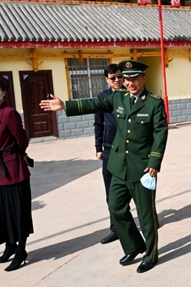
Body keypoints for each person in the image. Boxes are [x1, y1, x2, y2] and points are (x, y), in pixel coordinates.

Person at [40, 60, 168, 273]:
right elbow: (94, 104)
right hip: (118, 166)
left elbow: (160, 133)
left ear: (143, 78)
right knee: (116, 208)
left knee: (146, 215)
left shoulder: (154, 103)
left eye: (135, 78)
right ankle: (134, 245)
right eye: (127, 79)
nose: (130, 83)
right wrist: (65, 105)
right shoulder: (118, 98)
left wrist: (154, 162)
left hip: (142, 168)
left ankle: (151, 255)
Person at [0, 78, 33, 272]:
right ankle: (10, 246)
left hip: (13, 169)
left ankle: (21, 250)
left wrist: (15, 154)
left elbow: (22, 139)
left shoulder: (9, 113)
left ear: (4, 92)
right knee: (3, 210)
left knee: (18, 211)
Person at [94, 63, 124, 245]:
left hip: (130, 150)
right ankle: (116, 228)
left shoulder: (130, 94)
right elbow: (98, 124)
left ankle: (149, 220)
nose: (117, 80)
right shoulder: (103, 98)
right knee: (111, 191)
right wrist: (98, 147)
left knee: (139, 189)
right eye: (113, 78)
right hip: (109, 149)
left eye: (120, 76)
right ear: (107, 79)